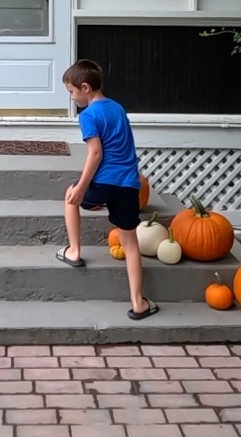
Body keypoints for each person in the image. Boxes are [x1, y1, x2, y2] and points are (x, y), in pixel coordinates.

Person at [56, 59, 158, 320]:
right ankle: (139, 303)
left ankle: (74, 251)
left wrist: (81, 187)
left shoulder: (88, 115)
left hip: (104, 182)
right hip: (129, 185)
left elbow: (96, 153)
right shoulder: (118, 108)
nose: (72, 98)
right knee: (130, 243)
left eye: (71, 92)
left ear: (85, 88)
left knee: (70, 196)